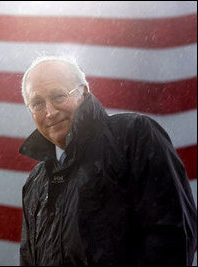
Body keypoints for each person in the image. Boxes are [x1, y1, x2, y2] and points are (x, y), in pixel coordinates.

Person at [18, 56, 197, 266]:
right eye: (37, 103)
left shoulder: (133, 136)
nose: (50, 111)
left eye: (58, 96)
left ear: (83, 92)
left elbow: (171, 236)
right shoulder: (36, 182)